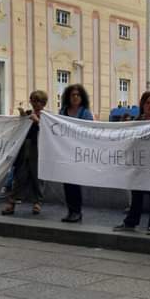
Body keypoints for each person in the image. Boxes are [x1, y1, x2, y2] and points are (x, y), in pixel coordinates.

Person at [114, 91, 150, 234]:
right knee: (137, 194)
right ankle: (131, 222)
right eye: (147, 103)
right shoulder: (138, 120)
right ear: (142, 105)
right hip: (139, 164)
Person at [3, 90, 48, 216]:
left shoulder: (46, 116)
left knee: (37, 176)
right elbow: (20, 128)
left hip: (38, 147)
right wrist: (22, 117)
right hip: (24, 146)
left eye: (37, 101)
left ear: (43, 103)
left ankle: (37, 203)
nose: (34, 103)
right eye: (32, 100)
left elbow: (49, 132)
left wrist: (37, 121)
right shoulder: (29, 113)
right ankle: (11, 202)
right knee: (19, 175)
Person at [59, 84, 92, 223]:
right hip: (65, 152)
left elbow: (90, 130)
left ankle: (77, 211)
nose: (75, 97)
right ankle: (70, 211)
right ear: (68, 96)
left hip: (78, 153)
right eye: (73, 95)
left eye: (78, 95)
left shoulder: (85, 113)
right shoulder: (63, 111)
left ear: (82, 97)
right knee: (66, 183)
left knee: (75, 184)